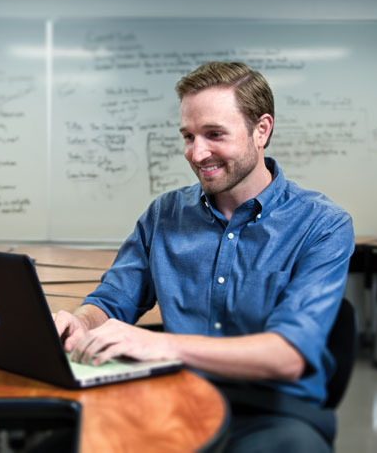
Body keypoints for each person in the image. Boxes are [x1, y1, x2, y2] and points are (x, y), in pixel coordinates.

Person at [54, 61, 355, 452]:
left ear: (261, 130)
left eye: (214, 134)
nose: (197, 153)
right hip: (177, 397)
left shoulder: (322, 225)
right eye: (188, 136)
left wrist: (163, 346)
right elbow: (113, 300)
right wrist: (82, 321)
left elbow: (288, 355)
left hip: (275, 413)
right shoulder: (164, 215)